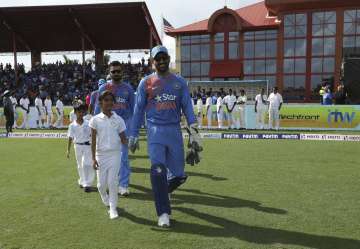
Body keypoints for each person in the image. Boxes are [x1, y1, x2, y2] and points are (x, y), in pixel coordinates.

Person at [129, 45, 201, 227]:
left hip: (174, 132)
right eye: (157, 59)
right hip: (155, 131)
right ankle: (163, 213)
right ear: (152, 62)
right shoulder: (145, 82)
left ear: (169, 59)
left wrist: (194, 135)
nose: (161, 61)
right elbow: (138, 111)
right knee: (158, 170)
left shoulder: (180, 82)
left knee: (179, 174)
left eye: (164, 58)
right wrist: (134, 134)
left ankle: (164, 189)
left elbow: (188, 109)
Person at [95, 62, 135, 196]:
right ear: (109, 73)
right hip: (106, 127)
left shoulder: (128, 88)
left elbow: (134, 109)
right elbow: (97, 109)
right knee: (106, 155)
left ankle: (123, 185)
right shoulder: (103, 88)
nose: (116, 73)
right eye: (113, 71)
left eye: (118, 71)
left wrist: (133, 128)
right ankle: (108, 181)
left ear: (121, 72)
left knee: (123, 156)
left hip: (123, 126)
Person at [89, 90, 127, 220]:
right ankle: (105, 198)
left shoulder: (119, 119)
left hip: (115, 154)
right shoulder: (95, 120)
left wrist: (131, 141)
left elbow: (123, 138)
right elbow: (93, 141)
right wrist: (93, 158)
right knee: (101, 185)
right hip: (101, 155)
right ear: (100, 102)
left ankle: (113, 208)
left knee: (112, 182)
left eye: (111, 100)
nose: (109, 102)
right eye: (106, 100)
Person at [67, 102, 95, 193]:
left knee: (86, 164)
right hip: (77, 146)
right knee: (79, 165)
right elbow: (70, 137)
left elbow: (93, 135)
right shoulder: (72, 125)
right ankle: (82, 180)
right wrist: (68, 150)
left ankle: (88, 183)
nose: (80, 113)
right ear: (75, 113)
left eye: (82, 112)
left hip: (87, 146)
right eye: (78, 112)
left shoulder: (88, 123)